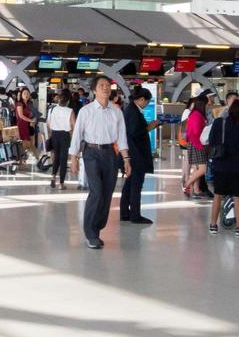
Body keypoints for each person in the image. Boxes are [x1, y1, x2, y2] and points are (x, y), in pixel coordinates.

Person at [69, 74, 130, 250]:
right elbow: (77, 135)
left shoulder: (116, 112)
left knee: (107, 192)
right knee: (97, 191)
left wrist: (126, 159)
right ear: (95, 90)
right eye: (102, 85)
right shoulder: (86, 111)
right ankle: (91, 233)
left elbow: (122, 138)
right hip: (91, 153)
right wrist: (74, 158)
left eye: (108, 85)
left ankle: (97, 228)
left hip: (110, 153)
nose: (105, 87)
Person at [206, 97, 239, 236]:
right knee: (238, 196)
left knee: (218, 195)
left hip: (220, 163)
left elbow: (212, 140)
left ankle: (213, 225)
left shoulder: (219, 122)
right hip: (237, 165)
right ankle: (238, 227)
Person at [120, 87, 157, 225]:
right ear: (141, 99)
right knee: (136, 185)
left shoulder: (130, 110)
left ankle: (124, 213)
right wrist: (149, 127)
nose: (147, 104)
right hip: (136, 155)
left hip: (132, 153)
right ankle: (135, 215)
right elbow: (135, 132)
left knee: (129, 185)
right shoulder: (133, 112)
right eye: (146, 101)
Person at [183, 93, 211, 199]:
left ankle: (196, 189)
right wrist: (200, 146)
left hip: (195, 143)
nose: (207, 106)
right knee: (203, 169)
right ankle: (187, 184)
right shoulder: (196, 115)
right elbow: (194, 133)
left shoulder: (194, 114)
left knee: (197, 168)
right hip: (197, 144)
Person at [46, 89, 75, 190]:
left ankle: (53, 176)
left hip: (55, 134)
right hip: (65, 135)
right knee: (63, 159)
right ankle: (61, 183)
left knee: (56, 157)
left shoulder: (52, 109)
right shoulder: (70, 111)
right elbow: (73, 125)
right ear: (68, 101)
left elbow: (48, 124)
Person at [16, 87, 39, 165]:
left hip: (28, 125)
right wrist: (31, 120)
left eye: (27, 93)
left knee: (29, 144)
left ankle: (23, 161)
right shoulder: (20, 103)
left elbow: (31, 114)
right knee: (24, 144)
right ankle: (22, 161)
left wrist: (33, 118)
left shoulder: (29, 103)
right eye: (24, 93)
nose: (26, 95)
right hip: (22, 125)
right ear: (21, 94)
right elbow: (21, 116)